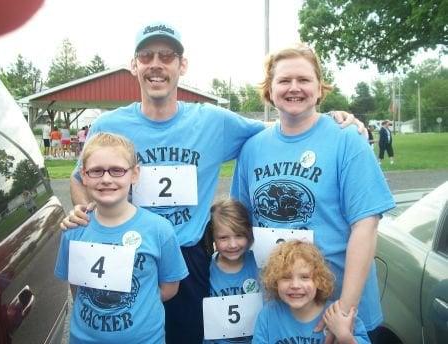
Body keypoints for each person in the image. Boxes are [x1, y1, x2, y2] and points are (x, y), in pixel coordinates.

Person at [61, 22, 364, 344]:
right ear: (134, 65)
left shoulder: (212, 120)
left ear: (182, 65)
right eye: (146, 56)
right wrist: (85, 213)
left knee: (189, 337)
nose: (156, 64)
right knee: (121, 332)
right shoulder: (111, 124)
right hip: (129, 252)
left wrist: (330, 120)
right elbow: (79, 177)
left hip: (190, 256)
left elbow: (277, 126)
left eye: (167, 56)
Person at [231, 44, 395, 342]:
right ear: (270, 90)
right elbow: (243, 225)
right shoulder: (253, 148)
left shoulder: (347, 140)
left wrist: (343, 311)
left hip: (339, 309)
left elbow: (366, 225)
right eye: (284, 81)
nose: (294, 88)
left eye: (304, 80)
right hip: (280, 309)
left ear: (320, 89)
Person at [54, 132, 188, 343]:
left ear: (134, 174)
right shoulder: (74, 229)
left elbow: (169, 287)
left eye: (117, 170)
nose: (106, 179)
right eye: (96, 171)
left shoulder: (160, 230)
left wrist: (138, 303)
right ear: (84, 175)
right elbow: (76, 288)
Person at [252, 240, 370, 344]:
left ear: (319, 280)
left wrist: (345, 337)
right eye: (286, 277)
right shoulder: (269, 314)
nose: (295, 285)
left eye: (304, 277)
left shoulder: (338, 315)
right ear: (275, 282)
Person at [204, 199, 259, 344]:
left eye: (239, 235)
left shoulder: (259, 265)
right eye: (223, 238)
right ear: (213, 237)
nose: (233, 244)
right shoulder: (205, 269)